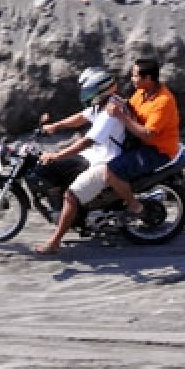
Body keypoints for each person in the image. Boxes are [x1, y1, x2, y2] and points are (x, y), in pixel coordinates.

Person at [32, 68, 127, 255]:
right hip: (96, 154)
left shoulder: (110, 110)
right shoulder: (101, 103)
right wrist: (55, 126)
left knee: (71, 195)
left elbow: (87, 141)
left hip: (106, 161)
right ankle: (70, 213)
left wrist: (57, 155)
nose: (87, 95)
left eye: (90, 91)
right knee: (59, 169)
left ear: (103, 89)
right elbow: (81, 117)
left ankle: (55, 242)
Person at [105, 58, 181, 217]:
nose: (132, 79)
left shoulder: (163, 101)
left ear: (148, 79)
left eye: (135, 76)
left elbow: (147, 133)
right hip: (140, 143)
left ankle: (135, 207)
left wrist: (120, 115)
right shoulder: (142, 92)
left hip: (157, 151)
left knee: (110, 171)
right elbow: (130, 108)